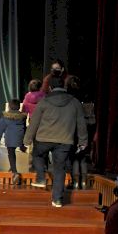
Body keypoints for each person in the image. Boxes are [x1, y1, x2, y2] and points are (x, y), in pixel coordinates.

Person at [24, 75, 88, 208]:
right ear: (64, 86)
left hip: (44, 139)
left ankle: (41, 177)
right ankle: (57, 199)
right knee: (60, 168)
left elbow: (34, 122)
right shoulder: (75, 102)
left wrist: (27, 139)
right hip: (65, 140)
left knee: (37, 154)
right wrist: (83, 141)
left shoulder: (44, 101)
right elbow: (81, 124)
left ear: (50, 88)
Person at [66, 76, 95, 189]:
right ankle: (83, 182)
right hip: (85, 130)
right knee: (82, 158)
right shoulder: (85, 96)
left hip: (73, 130)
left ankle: (75, 182)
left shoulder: (69, 98)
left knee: (74, 158)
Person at [0, 99, 28, 185]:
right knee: (16, 148)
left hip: (10, 138)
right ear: (19, 107)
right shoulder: (23, 117)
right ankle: (21, 148)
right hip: (20, 137)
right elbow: (24, 128)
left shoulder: (6, 117)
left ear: (9, 106)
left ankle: (14, 172)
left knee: (11, 153)